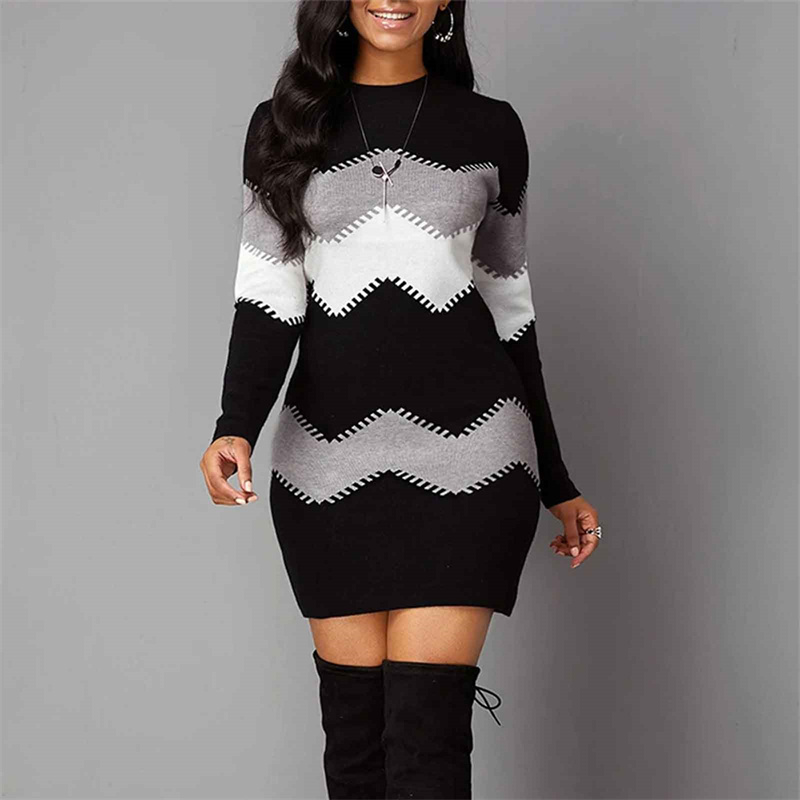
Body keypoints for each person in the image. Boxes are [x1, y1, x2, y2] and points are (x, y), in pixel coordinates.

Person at [199, 1, 602, 797]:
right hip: (325, 465)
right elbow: (269, 296)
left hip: (475, 461)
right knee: (356, 747)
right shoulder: (282, 126)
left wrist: (556, 481)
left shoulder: (490, 128)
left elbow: (511, 312)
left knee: (426, 740)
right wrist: (234, 426)